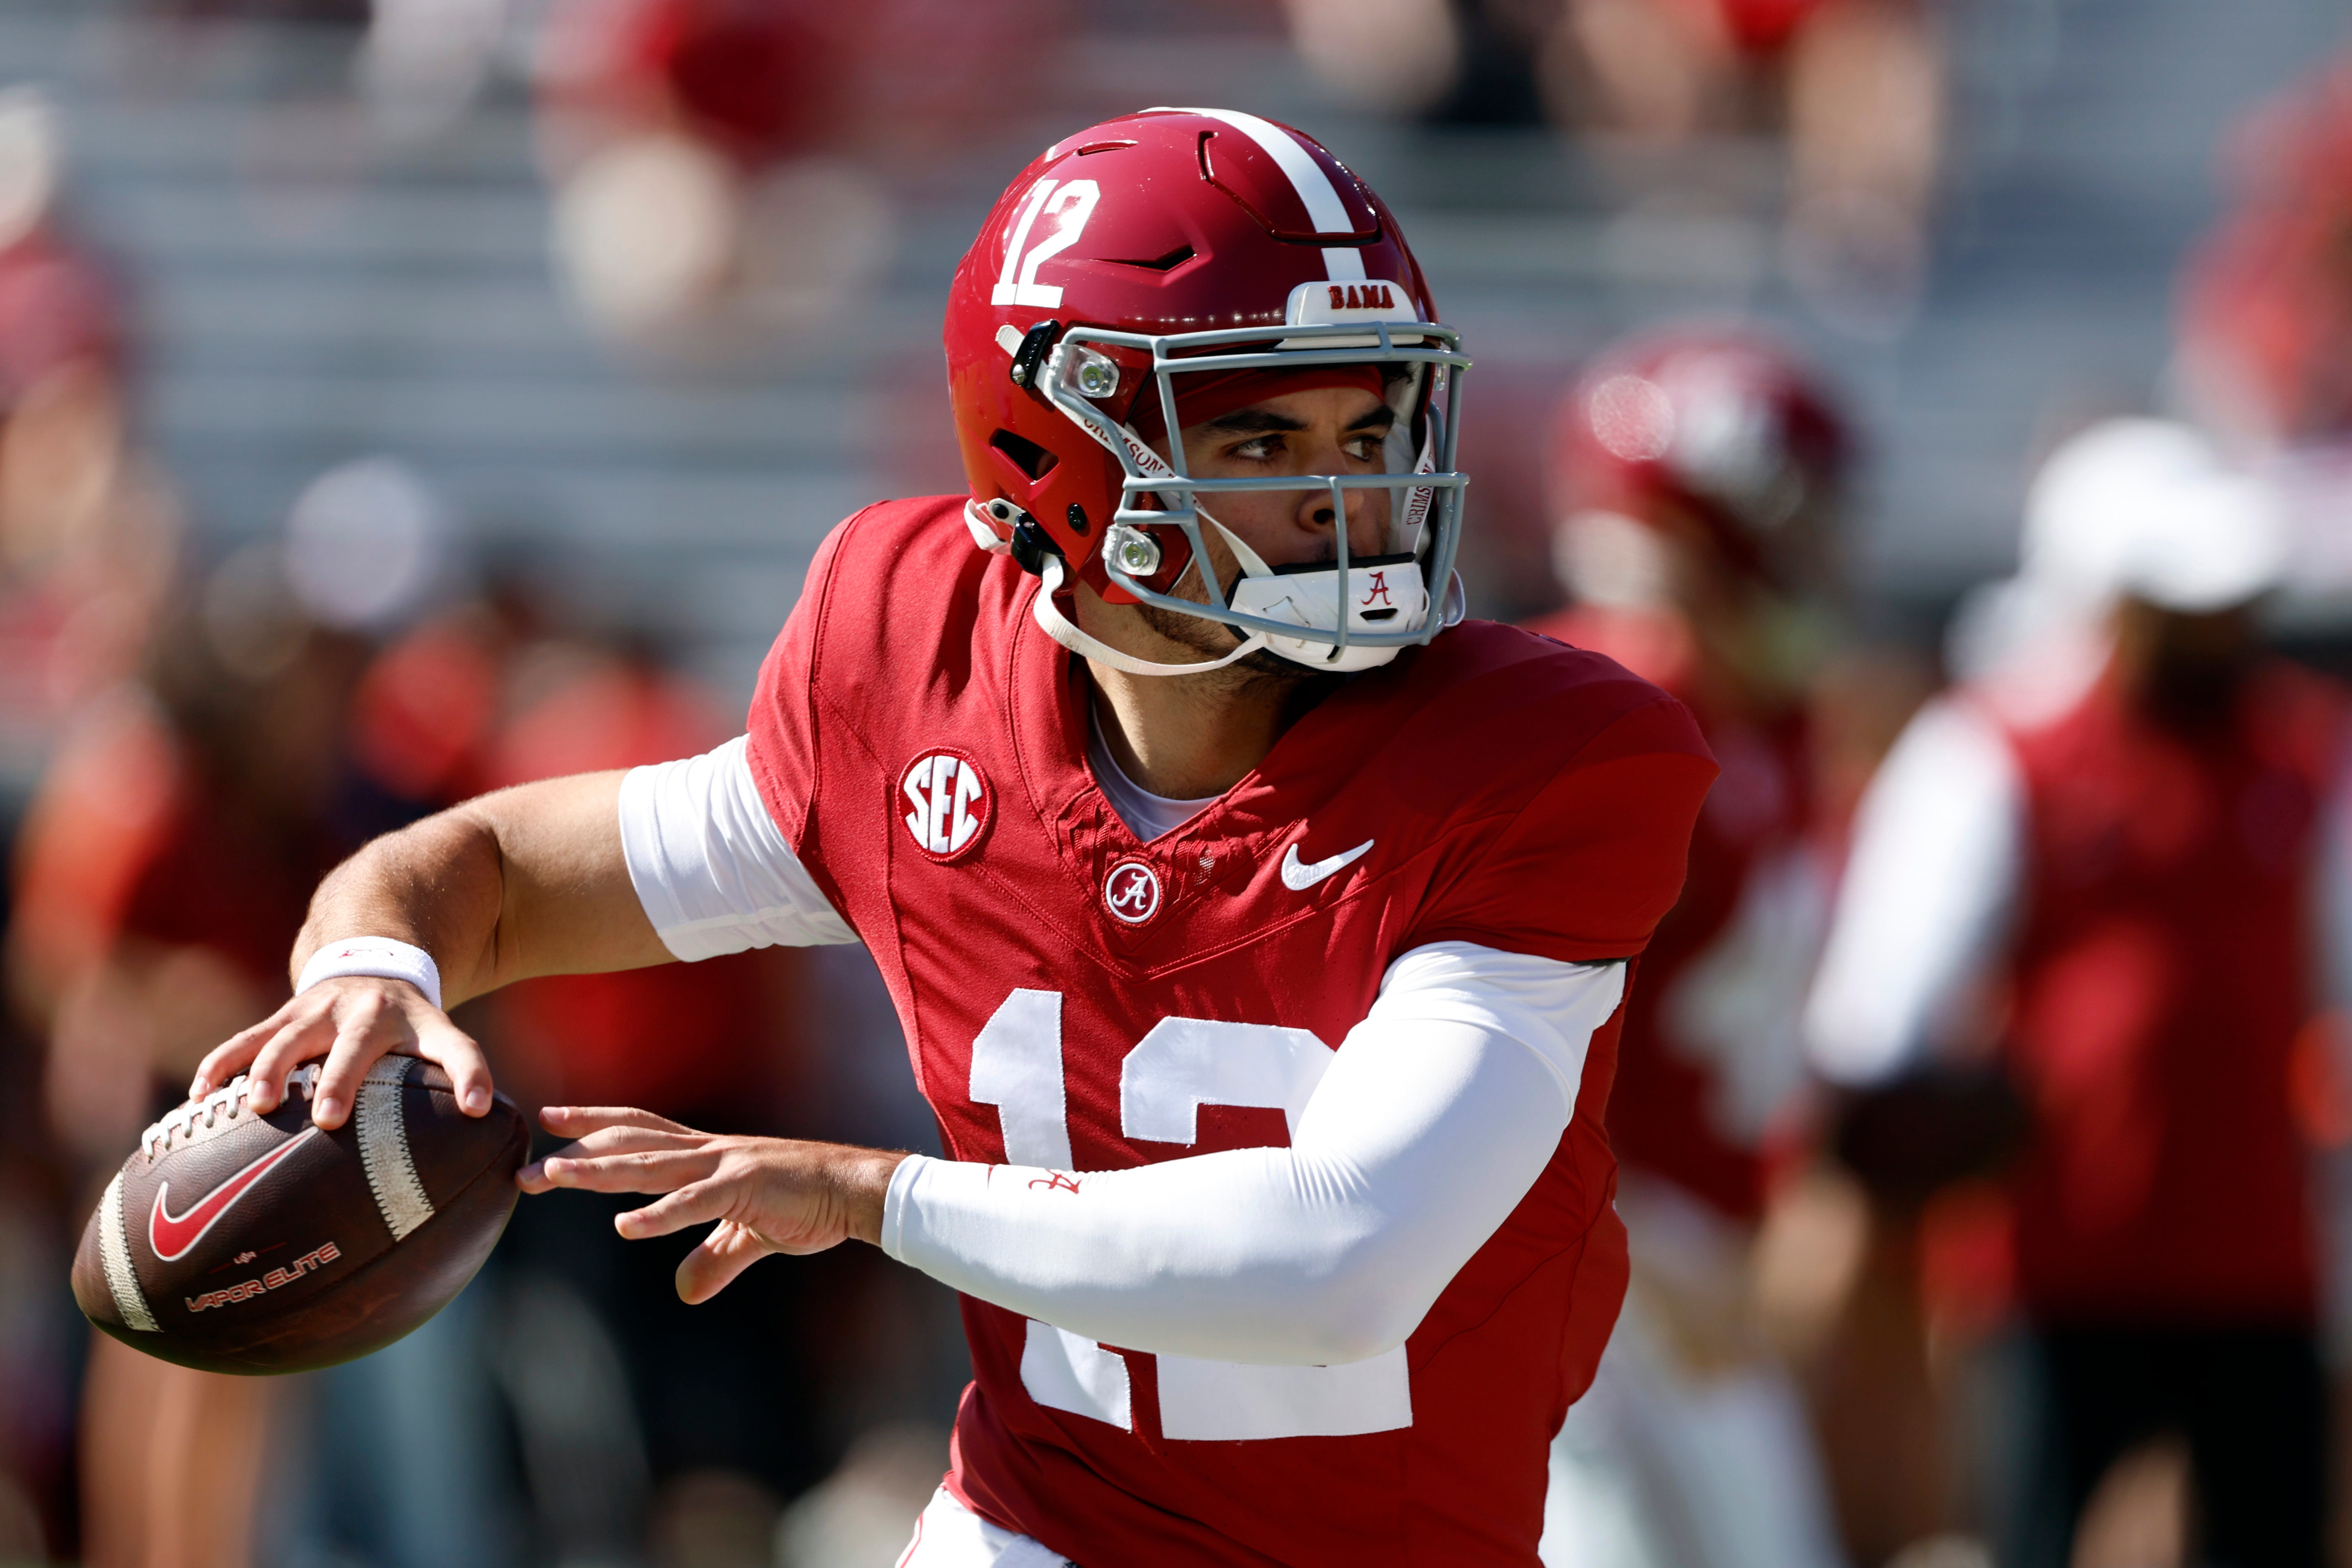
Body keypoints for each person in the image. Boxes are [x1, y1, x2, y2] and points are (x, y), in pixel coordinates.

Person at [185, 108, 1716, 1566]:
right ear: (1050, 457)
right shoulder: (910, 663)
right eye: (1259, 442)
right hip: (1035, 1525)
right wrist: (379, 959)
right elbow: (502, 878)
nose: (1350, 495)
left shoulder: (1542, 755)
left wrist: (864, 1195)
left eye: (1369, 424)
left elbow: (1342, 1260)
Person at [1806, 417, 2335, 1568]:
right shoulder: (1995, 748)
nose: (2219, 623)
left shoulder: (2303, 753)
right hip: (2053, 1262)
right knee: (2032, 1541)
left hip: (2260, 1254)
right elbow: (1876, 1017)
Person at [1523, 331, 1852, 1568]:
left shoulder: (1764, 713)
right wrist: (1635, 1255)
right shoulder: (1606, 708)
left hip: (1689, 1244)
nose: (1819, 555)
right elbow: (1479, 1029)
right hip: (1560, 1244)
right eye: (1792, 521)